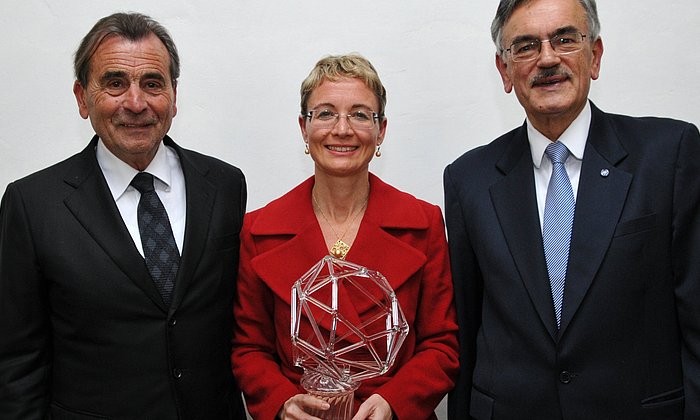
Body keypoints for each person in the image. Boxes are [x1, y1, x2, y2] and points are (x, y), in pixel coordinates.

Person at [444, 0, 700, 418]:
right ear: (504, 71)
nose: (547, 58)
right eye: (525, 46)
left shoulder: (668, 156)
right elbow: (466, 335)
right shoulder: (468, 179)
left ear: (594, 56)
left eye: (565, 39)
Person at [0, 12, 247, 419]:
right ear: (82, 98)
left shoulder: (224, 185)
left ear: (173, 95)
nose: (136, 103)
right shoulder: (33, 204)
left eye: (152, 84)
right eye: (115, 83)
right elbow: (17, 360)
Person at [231, 53, 459, 419]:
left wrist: (393, 402)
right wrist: (282, 402)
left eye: (359, 114)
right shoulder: (259, 229)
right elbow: (248, 348)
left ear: (381, 129)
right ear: (303, 129)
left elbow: (442, 345)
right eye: (325, 113)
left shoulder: (424, 222)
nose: (342, 129)